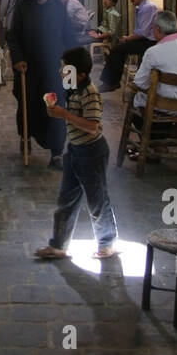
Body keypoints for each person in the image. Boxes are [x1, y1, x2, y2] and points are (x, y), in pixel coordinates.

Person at [34, 46, 118, 260]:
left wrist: (63, 114)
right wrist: (58, 112)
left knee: (97, 201)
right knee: (66, 200)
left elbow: (92, 126)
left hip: (91, 152)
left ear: (80, 74)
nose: (61, 73)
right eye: (62, 69)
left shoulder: (90, 93)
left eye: (66, 70)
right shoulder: (73, 90)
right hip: (74, 151)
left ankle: (107, 244)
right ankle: (59, 245)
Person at [7, 0, 68, 168]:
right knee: (28, 106)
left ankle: (57, 152)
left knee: (54, 107)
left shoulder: (58, 7)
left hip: (52, 71)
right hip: (29, 70)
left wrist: (69, 60)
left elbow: (67, 35)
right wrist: (17, 59)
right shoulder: (24, 6)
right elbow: (13, 35)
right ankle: (25, 138)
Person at [132, 11, 177, 114]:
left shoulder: (153, 52)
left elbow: (140, 83)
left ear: (157, 29)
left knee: (137, 99)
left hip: (162, 109)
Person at [96, 0, 160, 91]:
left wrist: (128, 38)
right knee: (119, 47)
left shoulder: (147, 7)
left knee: (117, 49)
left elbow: (143, 33)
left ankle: (112, 82)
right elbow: (140, 30)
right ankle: (112, 81)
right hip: (144, 39)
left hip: (149, 42)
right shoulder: (142, 7)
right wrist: (129, 37)